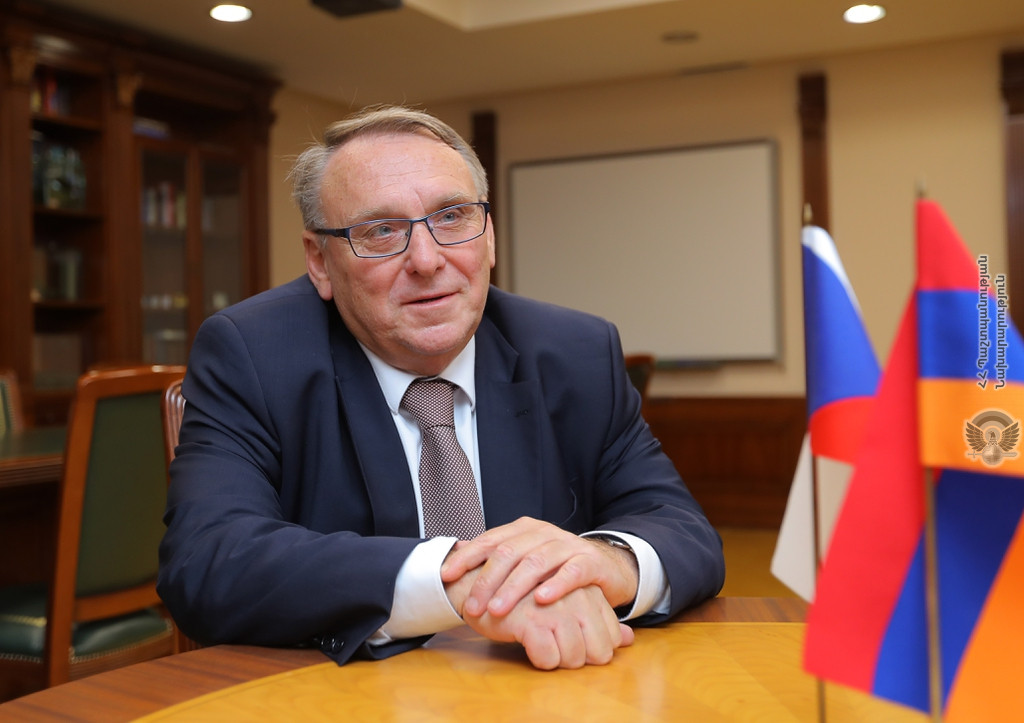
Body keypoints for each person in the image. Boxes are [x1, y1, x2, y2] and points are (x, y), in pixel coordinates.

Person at [157, 105, 725, 670]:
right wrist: (458, 581)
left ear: (489, 237)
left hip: (547, 687)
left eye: (452, 216)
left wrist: (604, 563)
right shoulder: (254, 354)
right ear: (320, 261)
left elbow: (683, 530)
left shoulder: (575, 351)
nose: (427, 260)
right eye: (381, 231)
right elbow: (207, 560)